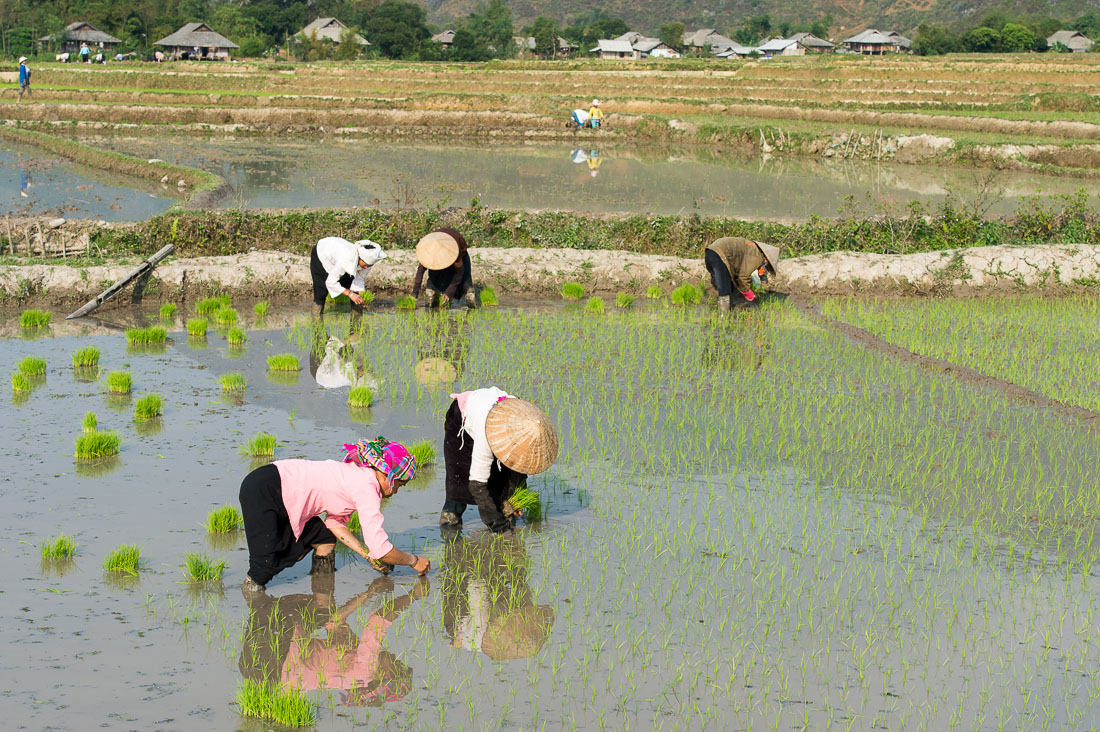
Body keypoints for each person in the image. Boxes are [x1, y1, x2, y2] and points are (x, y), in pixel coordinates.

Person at [239, 436, 429, 594]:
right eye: (399, 485)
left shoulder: (359, 476)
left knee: (324, 539)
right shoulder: (367, 487)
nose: (396, 491)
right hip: (266, 490)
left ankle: (323, 603)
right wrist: (414, 561)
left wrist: (366, 555)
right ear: (387, 474)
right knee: (263, 566)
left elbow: (334, 522)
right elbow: (380, 549)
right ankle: (255, 606)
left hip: (281, 490)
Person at [239, 573, 426, 706]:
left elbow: (377, 621)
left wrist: (414, 595)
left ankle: (254, 587)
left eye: (397, 665)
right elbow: (335, 621)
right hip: (260, 669)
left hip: (277, 653)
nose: (395, 658)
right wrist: (368, 593)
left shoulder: (367, 669)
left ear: (387, 676)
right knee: (317, 610)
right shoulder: (353, 673)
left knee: (309, 606)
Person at [439, 387, 558, 534]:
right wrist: (498, 527)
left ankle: (504, 511)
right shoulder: (485, 432)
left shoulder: (526, 421)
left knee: (503, 477)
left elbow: (519, 470)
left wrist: (515, 501)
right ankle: (450, 522)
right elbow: (477, 484)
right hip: (462, 422)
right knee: (460, 478)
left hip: (495, 416)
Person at [442, 533, 554, 660]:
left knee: (477, 583)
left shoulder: (479, 635)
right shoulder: (525, 624)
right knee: (513, 585)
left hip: (473, 622)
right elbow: (520, 588)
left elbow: (478, 595)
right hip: (484, 624)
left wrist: (474, 571)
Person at [310, 236, 385, 316]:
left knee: (354, 290)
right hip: (322, 254)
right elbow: (330, 282)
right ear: (360, 257)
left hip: (338, 255)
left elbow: (359, 279)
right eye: (366, 265)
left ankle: (356, 323)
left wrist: (363, 297)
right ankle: (316, 320)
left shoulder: (368, 263)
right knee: (321, 290)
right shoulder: (346, 259)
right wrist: (350, 294)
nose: (366, 267)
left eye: (369, 265)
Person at [704, 237, 780, 311]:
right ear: (766, 259)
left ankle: (725, 307)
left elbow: (738, 272)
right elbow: (743, 277)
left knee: (728, 284)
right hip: (719, 255)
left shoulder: (751, 248)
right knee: (725, 289)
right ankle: (724, 316)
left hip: (709, 253)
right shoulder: (757, 255)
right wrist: (748, 294)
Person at [411, 228, 476, 309]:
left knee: (464, 275)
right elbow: (421, 270)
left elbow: (459, 272)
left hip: (457, 248)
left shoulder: (455, 250)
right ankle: (431, 291)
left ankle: (468, 291)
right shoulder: (428, 250)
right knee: (435, 270)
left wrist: (449, 293)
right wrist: (414, 294)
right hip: (441, 246)